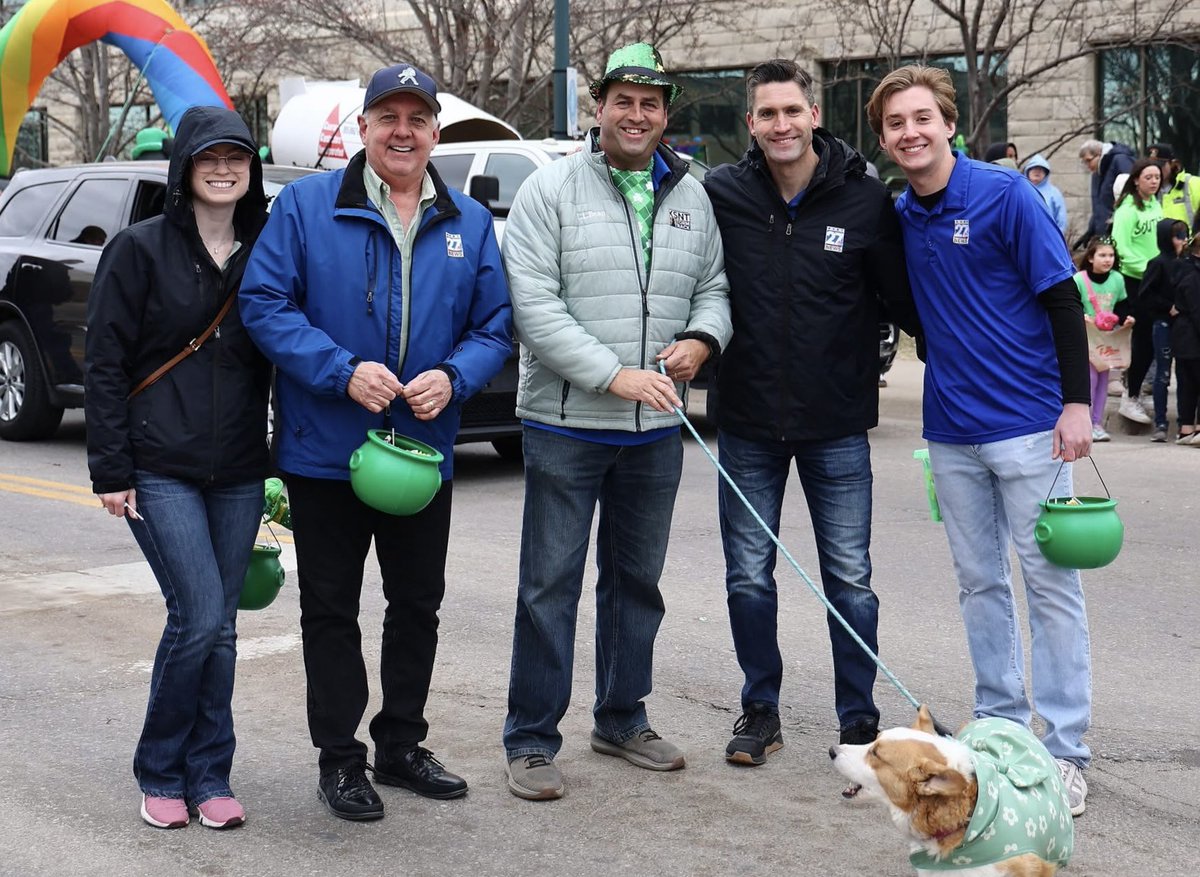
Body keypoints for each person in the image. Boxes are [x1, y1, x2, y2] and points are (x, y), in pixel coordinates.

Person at [238, 63, 513, 821]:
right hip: (323, 448)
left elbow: (495, 327)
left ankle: (400, 744)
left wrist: (454, 378)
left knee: (417, 603)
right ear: (363, 129)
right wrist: (338, 370)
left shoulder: (468, 222)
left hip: (420, 453)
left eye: (416, 118)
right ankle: (341, 758)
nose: (402, 130)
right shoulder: (304, 206)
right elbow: (263, 303)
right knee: (330, 607)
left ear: (434, 131)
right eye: (386, 116)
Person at [499, 41, 732, 801]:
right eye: (623, 100)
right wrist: (613, 374)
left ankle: (622, 716)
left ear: (666, 114)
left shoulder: (693, 193)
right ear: (597, 108)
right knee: (549, 586)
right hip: (566, 423)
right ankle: (531, 739)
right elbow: (533, 305)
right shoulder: (551, 188)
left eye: (652, 103)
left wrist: (703, 338)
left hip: (656, 431)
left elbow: (715, 287)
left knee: (638, 582)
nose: (637, 115)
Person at [867, 64, 1094, 817]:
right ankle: (1002, 726)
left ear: (950, 124)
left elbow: (1062, 297)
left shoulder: (1004, 195)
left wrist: (1074, 405)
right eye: (896, 124)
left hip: (1032, 426)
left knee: (1051, 585)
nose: (910, 132)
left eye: (922, 118)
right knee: (979, 584)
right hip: (952, 432)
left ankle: (1063, 750)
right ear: (886, 138)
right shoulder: (903, 213)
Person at [700, 59, 919, 765]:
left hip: (836, 425)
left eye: (791, 110)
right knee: (746, 574)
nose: (781, 124)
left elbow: (906, 303)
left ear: (814, 114)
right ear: (751, 124)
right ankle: (759, 709)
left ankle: (860, 721)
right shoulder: (721, 194)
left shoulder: (864, 200)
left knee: (849, 577)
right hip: (747, 421)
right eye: (767, 114)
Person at [85, 106, 270, 831]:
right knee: (196, 616)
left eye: (237, 158)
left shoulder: (264, 249)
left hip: (240, 468)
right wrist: (110, 468)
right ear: (185, 168)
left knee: (221, 626)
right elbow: (104, 363)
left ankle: (210, 772)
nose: (223, 169)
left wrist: (281, 463)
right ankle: (160, 769)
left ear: (250, 171)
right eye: (209, 159)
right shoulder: (139, 250)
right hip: (159, 464)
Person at [1111, 159, 1166, 426]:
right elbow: (1120, 247)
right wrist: (1149, 268)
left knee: (1155, 339)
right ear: (1136, 180)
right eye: (1148, 177)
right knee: (1143, 339)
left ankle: (1136, 390)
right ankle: (1130, 396)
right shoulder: (1127, 208)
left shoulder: (1156, 204)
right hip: (1137, 280)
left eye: (1157, 177)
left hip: (1156, 277)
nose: (1154, 181)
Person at [1130, 218, 1187, 441]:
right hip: (1163, 323)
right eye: (1177, 236)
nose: (1181, 241)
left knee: (1184, 374)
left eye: (1184, 235)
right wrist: (1167, 307)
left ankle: (1185, 423)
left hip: (1184, 326)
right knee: (1162, 374)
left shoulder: (1187, 262)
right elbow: (1146, 294)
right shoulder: (1158, 263)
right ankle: (1160, 423)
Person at [1072, 237, 1133, 442]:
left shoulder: (1117, 279)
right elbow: (1071, 305)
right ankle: (1086, 423)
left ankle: (1097, 423)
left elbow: (1122, 305)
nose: (1108, 260)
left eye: (1111, 255)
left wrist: (1126, 319)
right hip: (1085, 337)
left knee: (1103, 382)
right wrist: (1081, 315)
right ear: (1090, 257)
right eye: (1102, 255)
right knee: (1090, 380)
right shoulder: (1080, 280)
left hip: (1106, 340)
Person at [1170, 225, 1200, 445]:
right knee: (1193, 383)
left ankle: (1186, 427)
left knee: (1186, 384)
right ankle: (1192, 427)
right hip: (1192, 337)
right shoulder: (1193, 275)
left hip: (1182, 336)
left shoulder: (1180, 268)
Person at [1077, 138, 1136, 246]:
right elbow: (1099, 205)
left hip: (1120, 230)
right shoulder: (1097, 173)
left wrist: (1116, 221)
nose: (1087, 165)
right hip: (1104, 232)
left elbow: (1133, 193)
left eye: (1089, 160)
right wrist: (1092, 229)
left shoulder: (1121, 161)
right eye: (1084, 162)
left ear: (1099, 154)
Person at [1149, 144, 1200, 227]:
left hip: (1188, 238)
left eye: (1160, 165)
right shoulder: (1142, 190)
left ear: (1173, 164)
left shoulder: (1194, 184)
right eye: (1150, 166)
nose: (1155, 170)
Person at [1023, 153, 1068, 237]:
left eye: (1041, 169)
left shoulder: (1054, 193)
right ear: (1028, 171)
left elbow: (1062, 220)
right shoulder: (1022, 191)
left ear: (1046, 172)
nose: (1037, 171)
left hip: (1049, 238)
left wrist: (1056, 238)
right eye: (1034, 168)